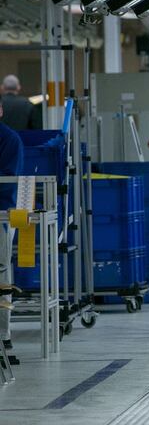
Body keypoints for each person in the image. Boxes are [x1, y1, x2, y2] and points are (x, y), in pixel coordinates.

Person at [0, 101, 24, 365]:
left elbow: (7, 178)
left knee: (1, 274)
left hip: (1, 215)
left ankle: (2, 337)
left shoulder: (9, 140)